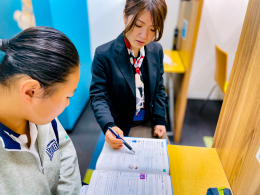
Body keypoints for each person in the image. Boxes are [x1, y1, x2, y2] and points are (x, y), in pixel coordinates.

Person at [0, 26, 81, 195]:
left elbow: (63, 146)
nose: (67, 104)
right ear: (31, 91)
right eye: (67, 96)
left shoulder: (40, 113)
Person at [90, 0, 168, 149]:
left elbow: (159, 88)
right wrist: (108, 125)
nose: (144, 35)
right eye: (138, 25)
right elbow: (98, 96)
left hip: (149, 122)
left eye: (153, 29)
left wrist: (160, 119)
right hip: (120, 127)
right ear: (125, 16)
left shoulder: (156, 50)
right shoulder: (104, 54)